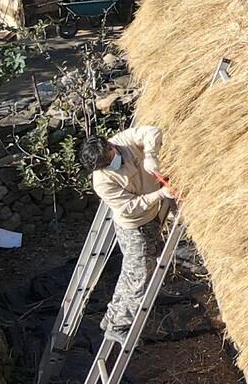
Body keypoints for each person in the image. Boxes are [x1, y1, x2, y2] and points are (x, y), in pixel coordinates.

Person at [78, 126, 176, 340]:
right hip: (134, 229)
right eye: (105, 166)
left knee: (130, 274)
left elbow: (151, 131)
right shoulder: (102, 181)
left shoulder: (123, 141)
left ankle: (111, 318)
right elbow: (129, 207)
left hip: (151, 217)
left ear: (110, 146)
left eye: (109, 160)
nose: (109, 165)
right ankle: (119, 327)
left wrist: (150, 155)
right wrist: (160, 194)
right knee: (139, 277)